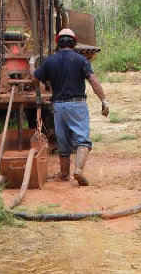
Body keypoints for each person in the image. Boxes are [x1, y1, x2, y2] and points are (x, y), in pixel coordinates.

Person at [29, 28, 109, 186]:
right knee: (82, 140)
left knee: (63, 141)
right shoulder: (81, 60)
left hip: (59, 107)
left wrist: (31, 62)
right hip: (77, 105)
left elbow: (34, 78)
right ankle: (78, 170)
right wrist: (104, 100)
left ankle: (64, 173)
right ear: (74, 43)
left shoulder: (50, 61)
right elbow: (93, 79)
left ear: (58, 42)